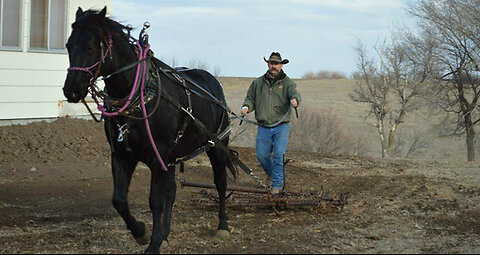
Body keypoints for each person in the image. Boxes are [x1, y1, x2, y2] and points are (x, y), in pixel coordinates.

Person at [241, 52, 301, 194]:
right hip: (264, 126)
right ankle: (274, 175)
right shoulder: (257, 83)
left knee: (279, 155)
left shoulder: (288, 83)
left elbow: (295, 94)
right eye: (271, 63)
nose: (274, 66)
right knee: (262, 156)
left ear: (281, 65)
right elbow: (250, 99)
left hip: (282, 126)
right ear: (268, 64)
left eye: (276, 64)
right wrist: (246, 107)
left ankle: (277, 187)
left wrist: (295, 101)